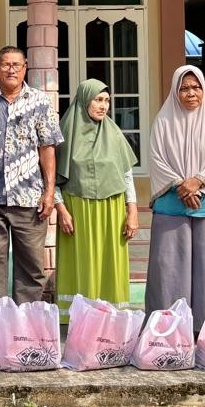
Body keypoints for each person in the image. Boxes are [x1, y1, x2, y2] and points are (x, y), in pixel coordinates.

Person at [0, 46, 63, 306]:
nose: (11, 69)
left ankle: (26, 323)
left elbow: (47, 148)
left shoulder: (40, 101)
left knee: (32, 266)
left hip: (30, 197)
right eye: (5, 64)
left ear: (25, 69)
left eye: (17, 65)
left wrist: (49, 193)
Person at [145, 65, 205, 330]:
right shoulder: (164, 120)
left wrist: (197, 184)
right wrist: (180, 185)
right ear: (175, 91)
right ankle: (168, 329)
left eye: (196, 87)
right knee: (169, 269)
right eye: (184, 88)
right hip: (172, 203)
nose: (191, 93)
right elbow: (156, 158)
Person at [52, 78, 138, 315]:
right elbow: (52, 178)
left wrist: (132, 211)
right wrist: (61, 210)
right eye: (98, 100)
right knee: (82, 264)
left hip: (112, 209)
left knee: (109, 263)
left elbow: (126, 175)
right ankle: (80, 316)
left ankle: (110, 315)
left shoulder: (114, 134)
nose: (103, 106)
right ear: (83, 101)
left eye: (107, 101)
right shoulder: (65, 134)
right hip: (77, 211)